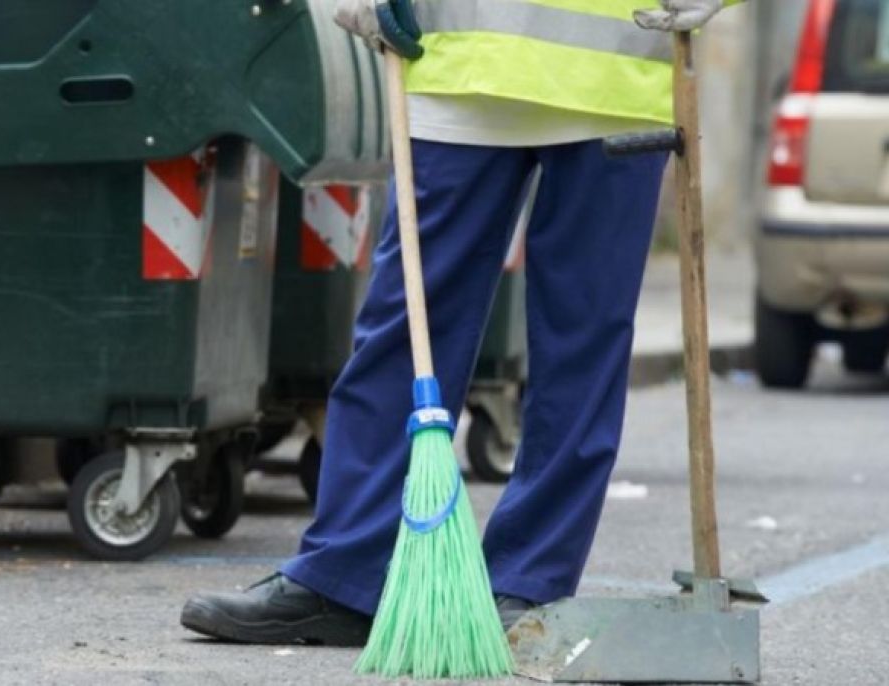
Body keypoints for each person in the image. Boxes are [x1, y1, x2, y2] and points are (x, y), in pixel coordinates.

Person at [181, 0, 740, 646]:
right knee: (403, 330)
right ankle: (343, 576)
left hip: (617, 76)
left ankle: (528, 584)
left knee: (582, 346)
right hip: (458, 66)